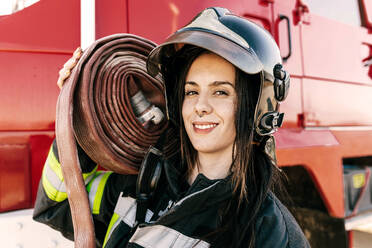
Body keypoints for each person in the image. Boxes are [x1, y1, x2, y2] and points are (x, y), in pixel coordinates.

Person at [33, 7, 310, 248]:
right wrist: (79, 113)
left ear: (259, 107)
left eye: (220, 92)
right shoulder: (140, 184)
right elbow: (57, 205)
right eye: (191, 92)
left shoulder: (270, 235)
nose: (200, 106)